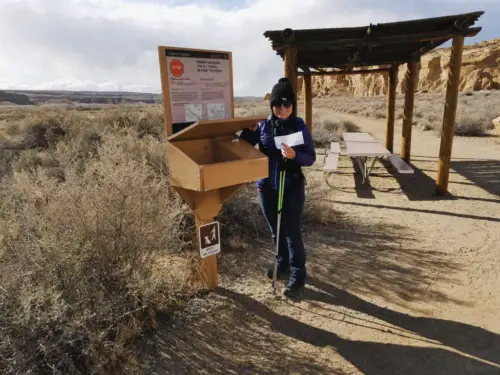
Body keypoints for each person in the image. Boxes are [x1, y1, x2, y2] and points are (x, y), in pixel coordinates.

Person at [239, 77, 316, 297]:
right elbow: (242, 146)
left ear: (292, 105)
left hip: (291, 186)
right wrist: (247, 130)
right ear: (271, 105)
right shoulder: (263, 125)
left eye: (287, 104)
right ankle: (282, 265)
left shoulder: (299, 125)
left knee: (291, 232)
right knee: (276, 230)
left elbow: (310, 157)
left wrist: (295, 155)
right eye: (278, 104)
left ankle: (298, 275)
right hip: (267, 186)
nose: (282, 109)